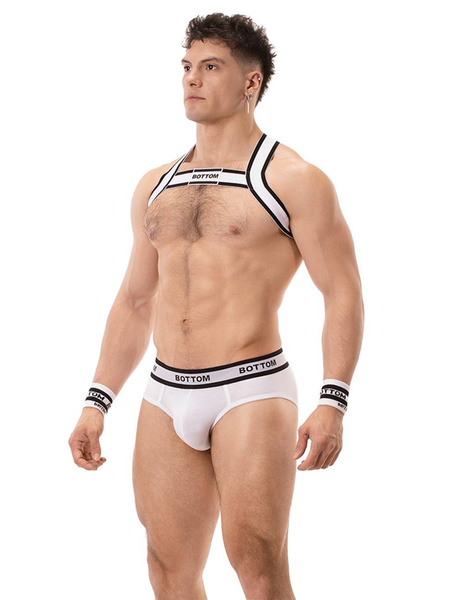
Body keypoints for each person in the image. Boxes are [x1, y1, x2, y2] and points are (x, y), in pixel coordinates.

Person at [68, 12, 364, 600]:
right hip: (165, 390)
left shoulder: (293, 179)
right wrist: (96, 401)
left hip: (250, 387)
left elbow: (342, 292)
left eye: (210, 67)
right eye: (186, 66)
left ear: (251, 82)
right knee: (167, 568)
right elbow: (134, 301)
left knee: (257, 564)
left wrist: (334, 400)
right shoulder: (156, 184)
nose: (191, 79)